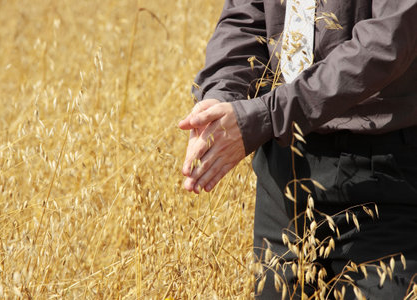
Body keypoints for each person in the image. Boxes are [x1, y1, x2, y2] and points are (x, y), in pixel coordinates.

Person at [179, 0, 417, 298]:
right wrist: (220, 96)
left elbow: (386, 42)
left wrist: (267, 115)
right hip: (281, 176)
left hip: (384, 178)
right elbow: (245, 18)